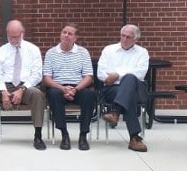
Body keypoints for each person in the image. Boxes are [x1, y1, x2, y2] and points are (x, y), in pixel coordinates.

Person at [0, 20, 47, 150]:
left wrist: (22, 89)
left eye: (16, 37)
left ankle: (38, 136)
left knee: (37, 94)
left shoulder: (33, 50)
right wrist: (3, 92)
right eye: (10, 36)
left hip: (26, 87)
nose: (13, 40)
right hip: (5, 86)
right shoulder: (0, 51)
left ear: (22, 33)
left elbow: (37, 75)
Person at [96, 24, 150, 152]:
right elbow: (101, 73)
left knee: (130, 78)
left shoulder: (142, 52)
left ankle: (115, 112)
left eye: (128, 37)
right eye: (122, 35)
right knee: (128, 94)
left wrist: (117, 75)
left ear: (136, 39)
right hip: (112, 89)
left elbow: (140, 74)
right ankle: (135, 138)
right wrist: (114, 77)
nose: (124, 39)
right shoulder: (108, 50)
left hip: (137, 89)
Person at [42, 23, 95, 151]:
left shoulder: (83, 52)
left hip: (78, 87)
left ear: (75, 38)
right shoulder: (51, 53)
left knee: (89, 95)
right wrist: (62, 89)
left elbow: (88, 77)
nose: (66, 35)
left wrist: (75, 89)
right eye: (64, 32)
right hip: (58, 87)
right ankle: (64, 135)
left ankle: (83, 135)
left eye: (70, 34)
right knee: (53, 94)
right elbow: (47, 79)